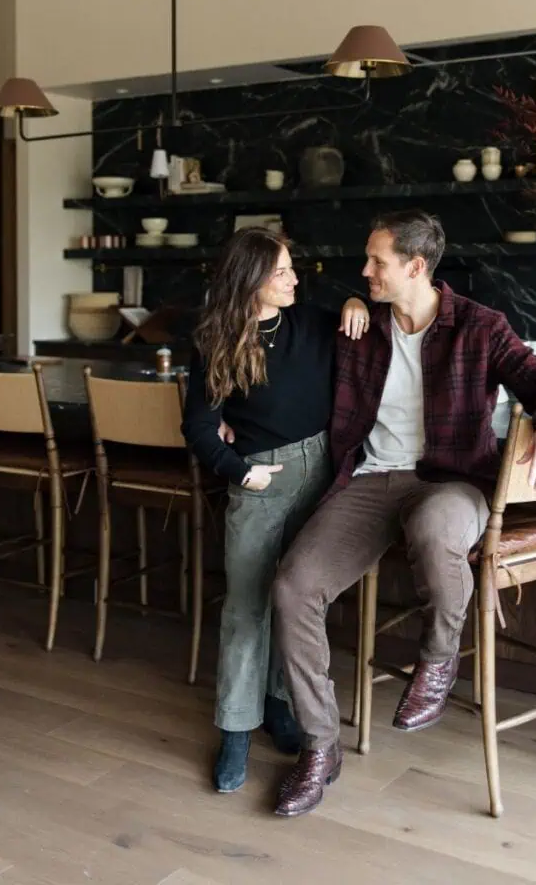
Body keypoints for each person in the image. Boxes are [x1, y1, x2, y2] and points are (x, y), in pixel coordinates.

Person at [271, 209, 536, 817]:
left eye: (376, 263)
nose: (364, 272)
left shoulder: (479, 327)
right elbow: (284, 350)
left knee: (437, 530)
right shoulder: (360, 325)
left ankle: (438, 662)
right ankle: (320, 745)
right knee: (291, 587)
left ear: (416, 266)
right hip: (368, 481)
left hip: (450, 481)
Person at [181, 226, 369, 794]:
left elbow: (371, 326)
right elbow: (195, 423)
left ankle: (280, 705)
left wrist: (358, 301)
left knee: (297, 603)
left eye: (292, 268)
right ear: (250, 279)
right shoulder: (217, 340)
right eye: (281, 271)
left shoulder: (313, 323)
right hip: (261, 478)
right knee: (245, 608)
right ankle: (236, 729)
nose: (293, 279)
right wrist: (242, 470)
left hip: (324, 476)